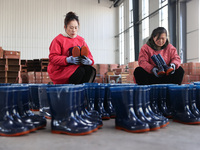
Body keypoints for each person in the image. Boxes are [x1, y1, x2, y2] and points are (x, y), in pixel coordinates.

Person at [48, 12, 96, 84]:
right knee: (80, 71)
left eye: (76, 28)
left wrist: (89, 61)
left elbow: (90, 57)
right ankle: (71, 91)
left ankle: (82, 91)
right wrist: (67, 60)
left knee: (89, 70)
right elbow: (52, 58)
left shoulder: (81, 40)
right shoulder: (58, 40)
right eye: (71, 28)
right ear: (65, 27)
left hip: (75, 68)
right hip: (61, 70)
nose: (74, 30)